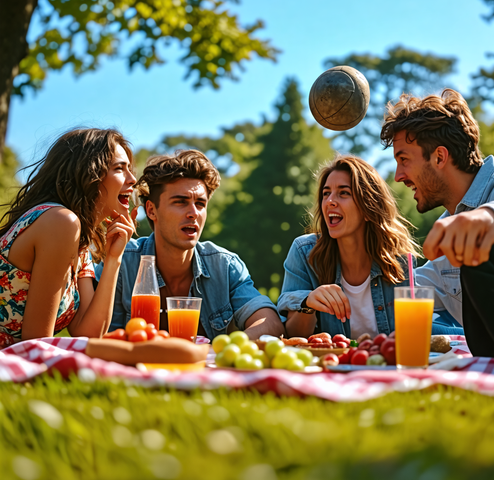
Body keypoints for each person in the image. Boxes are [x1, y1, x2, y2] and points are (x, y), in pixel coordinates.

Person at [97, 150, 284, 340]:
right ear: (152, 210)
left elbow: (270, 323)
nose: (193, 213)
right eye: (180, 202)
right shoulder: (122, 261)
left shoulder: (224, 266)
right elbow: (99, 335)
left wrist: (223, 348)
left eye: (201, 204)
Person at [381, 88, 494, 359]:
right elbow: (407, 289)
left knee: (482, 250)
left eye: (404, 159)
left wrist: (488, 217)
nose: (397, 176)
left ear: (439, 157)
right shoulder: (449, 234)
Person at [0, 128, 137, 348]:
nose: (132, 179)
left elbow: (88, 332)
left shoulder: (79, 236)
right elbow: (37, 344)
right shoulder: (60, 221)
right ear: (89, 173)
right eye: (120, 169)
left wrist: (114, 259)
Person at [277, 154, 437, 340]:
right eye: (326, 193)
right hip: (332, 366)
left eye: (343, 193)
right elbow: (293, 337)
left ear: (368, 208)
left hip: (385, 365)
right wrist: (308, 303)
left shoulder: (399, 260)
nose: (330, 201)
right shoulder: (304, 252)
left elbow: (410, 335)